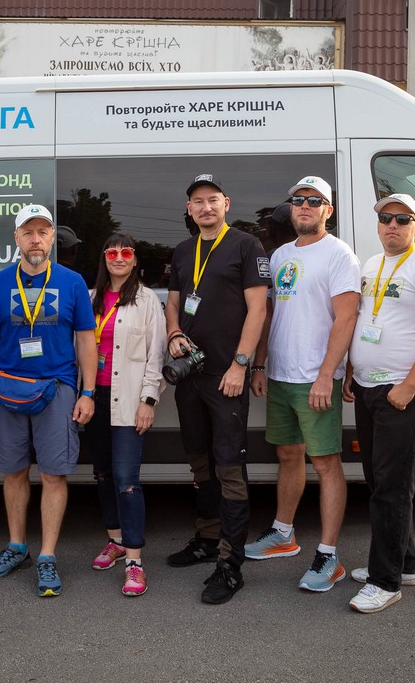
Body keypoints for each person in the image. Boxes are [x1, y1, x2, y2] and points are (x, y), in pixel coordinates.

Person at [0, 203, 98, 597]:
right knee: (13, 472)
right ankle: (16, 547)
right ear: (17, 238)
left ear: (52, 238)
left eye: (43, 231)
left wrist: (88, 392)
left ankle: (46, 556)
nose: (36, 239)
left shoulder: (72, 282)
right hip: (7, 389)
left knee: (54, 475)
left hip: (57, 389)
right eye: (28, 232)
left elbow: (85, 339)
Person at [343, 193, 415, 614]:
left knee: (392, 490)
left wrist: (409, 386)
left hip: (404, 393)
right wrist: (352, 370)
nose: (392, 225)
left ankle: (385, 582)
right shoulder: (372, 265)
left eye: (402, 219)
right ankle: (402, 564)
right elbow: (365, 321)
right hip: (369, 388)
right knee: (380, 483)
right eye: (386, 218)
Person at [248, 175, 360, 592]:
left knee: (326, 463)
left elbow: (346, 318)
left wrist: (326, 375)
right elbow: (269, 316)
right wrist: (260, 365)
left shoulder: (339, 255)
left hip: (316, 378)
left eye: (315, 201)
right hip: (281, 374)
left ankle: (329, 556)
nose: (305, 207)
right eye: (298, 200)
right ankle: (283, 534)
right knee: (288, 455)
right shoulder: (280, 255)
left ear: (328, 210)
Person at [165, 174, 269, 605]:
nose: (205, 207)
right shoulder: (183, 250)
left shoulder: (247, 246)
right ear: (189, 209)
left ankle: (231, 563)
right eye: (197, 201)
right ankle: (208, 539)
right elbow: (174, 301)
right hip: (190, 373)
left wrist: (241, 365)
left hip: (227, 374)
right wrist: (173, 332)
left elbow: (258, 309)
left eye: (212, 200)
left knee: (229, 467)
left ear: (226, 203)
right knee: (199, 461)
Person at [86, 233, 166, 597]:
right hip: (94, 397)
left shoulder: (147, 301)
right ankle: (115, 541)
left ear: (135, 260)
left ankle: (134, 560)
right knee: (102, 473)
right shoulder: (90, 298)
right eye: (112, 252)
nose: (119, 258)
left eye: (126, 252)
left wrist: (148, 400)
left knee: (126, 479)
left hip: (130, 399)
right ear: (104, 258)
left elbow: (156, 355)